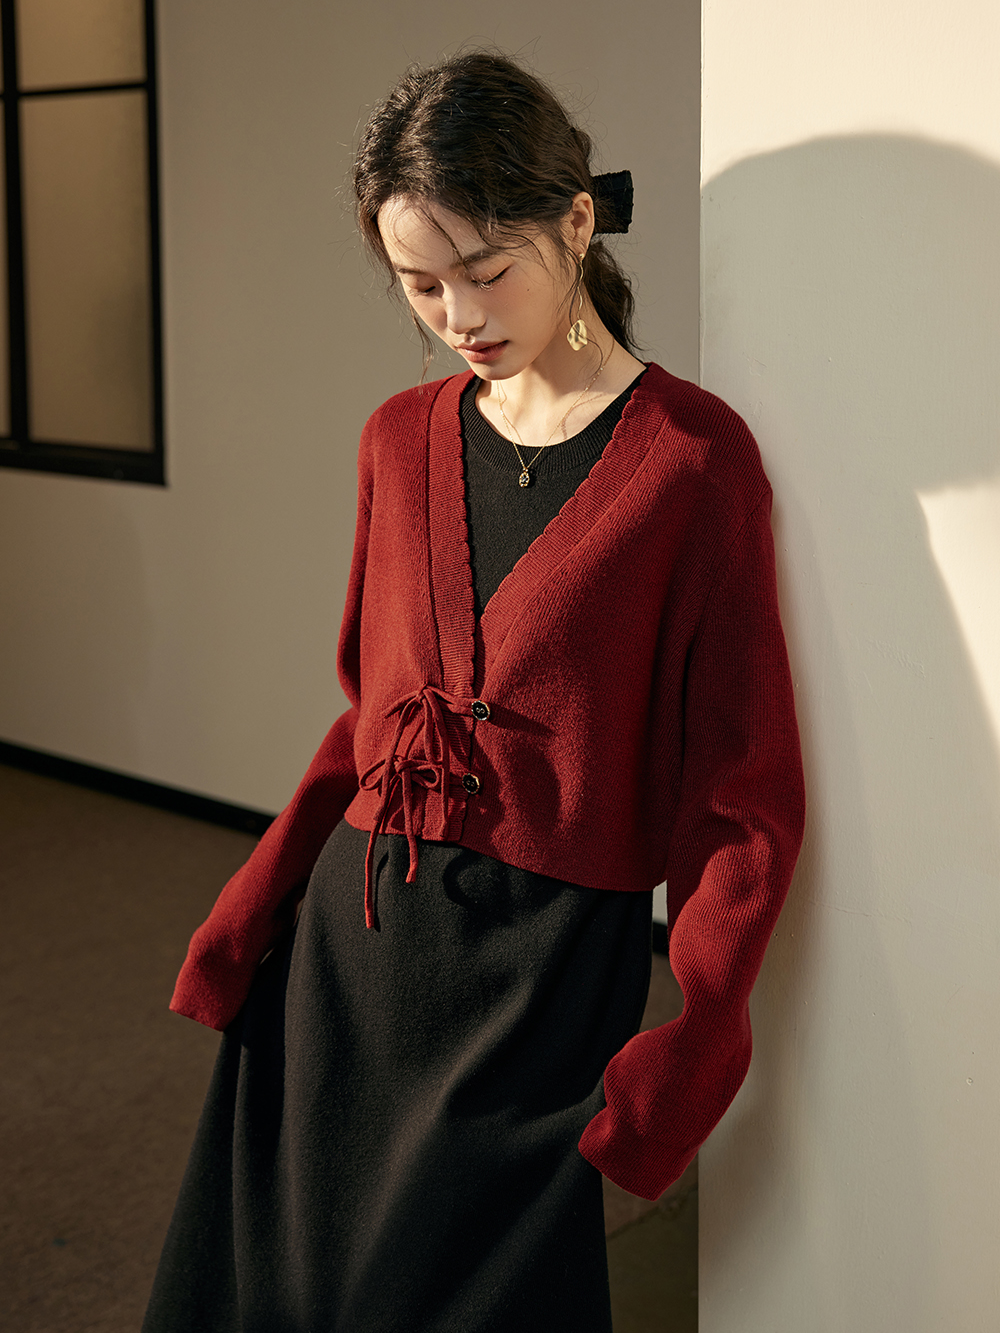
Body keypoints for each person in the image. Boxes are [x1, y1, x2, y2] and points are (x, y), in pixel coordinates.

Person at [143, 50, 805, 1333]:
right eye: (418, 282)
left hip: (540, 980)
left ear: (573, 222)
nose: (456, 312)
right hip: (351, 954)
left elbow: (742, 793)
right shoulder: (398, 438)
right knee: (288, 1286)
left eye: (485, 270)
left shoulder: (694, 464)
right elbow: (365, 719)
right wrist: (250, 911)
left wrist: (698, 1032)